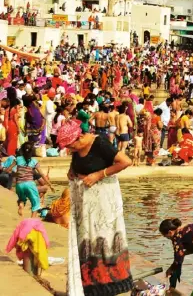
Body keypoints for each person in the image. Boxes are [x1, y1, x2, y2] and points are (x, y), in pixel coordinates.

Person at [57, 119, 134, 295]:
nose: (71, 150)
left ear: (80, 137)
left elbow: (125, 161)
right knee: (86, 239)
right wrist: (72, 169)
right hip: (86, 200)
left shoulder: (100, 143)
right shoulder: (78, 147)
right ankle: (88, 282)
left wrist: (99, 174)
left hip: (104, 199)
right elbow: (78, 157)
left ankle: (106, 284)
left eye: (71, 147)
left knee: (102, 238)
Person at [5, 142, 53, 217]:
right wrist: (50, 185)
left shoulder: (18, 159)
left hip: (19, 185)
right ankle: (32, 222)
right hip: (30, 184)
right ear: (32, 151)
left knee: (22, 199)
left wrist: (15, 174)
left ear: (22, 150)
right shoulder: (34, 161)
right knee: (36, 203)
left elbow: (7, 170)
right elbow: (42, 174)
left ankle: (21, 205)